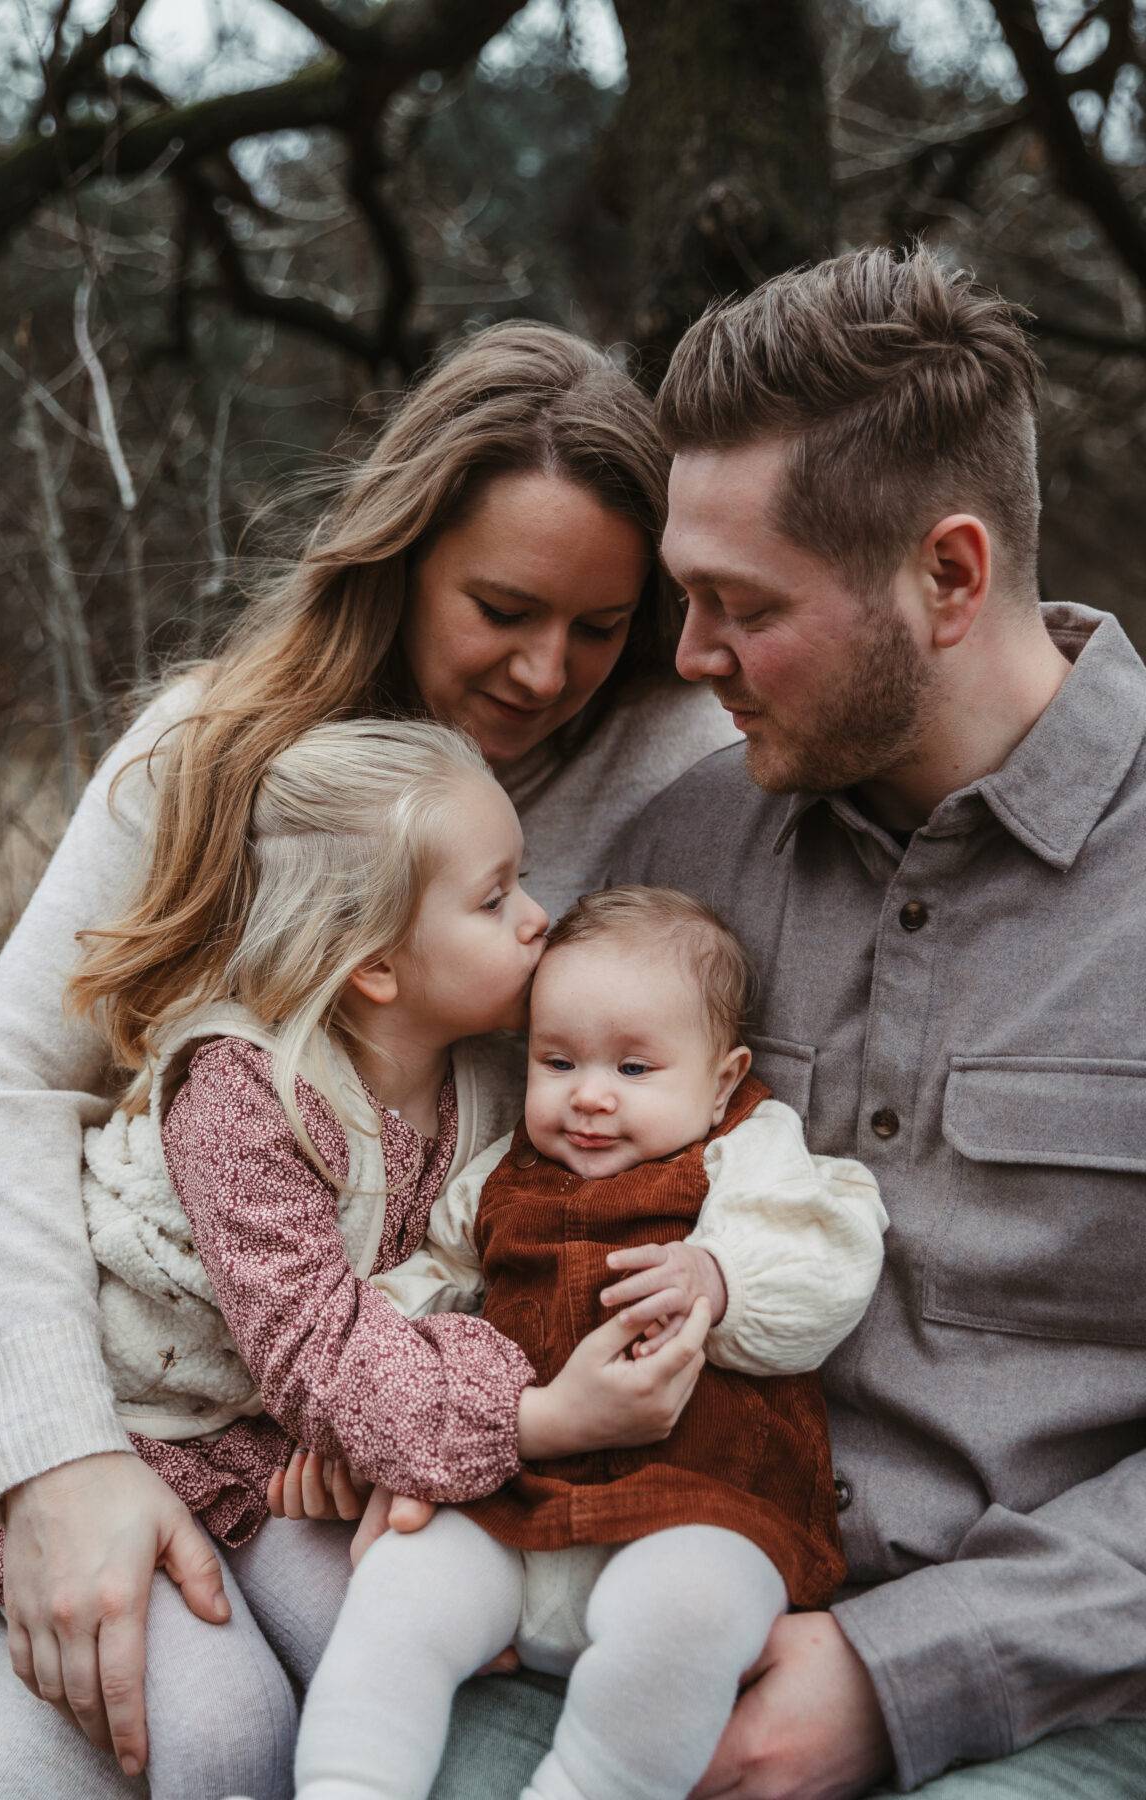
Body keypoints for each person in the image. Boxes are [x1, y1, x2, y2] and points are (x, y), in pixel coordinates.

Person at [0, 323, 737, 1798]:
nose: (545, 669)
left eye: (600, 625)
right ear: (403, 554)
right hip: (140, 1374)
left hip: (351, 1440)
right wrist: (55, 1459)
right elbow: (3, 1086)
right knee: (163, 1737)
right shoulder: (218, 752)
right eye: (502, 606)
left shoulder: (675, 767)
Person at [426, 247, 1146, 1800]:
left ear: (948, 576)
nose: (685, 660)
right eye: (687, 599)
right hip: (623, 1606)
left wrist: (911, 1673)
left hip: (1058, 1695)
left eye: (740, 609)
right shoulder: (679, 859)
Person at [282, 885, 885, 1800]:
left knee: (686, 1619)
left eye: (636, 1070)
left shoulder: (746, 1147)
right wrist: (372, 1403)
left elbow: (831, 1247)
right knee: (398, 1593)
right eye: (558, 1061)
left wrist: (722, 1278)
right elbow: (422, 1285)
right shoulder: (500, 1176)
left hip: (704, 1501)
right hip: (512, 1502)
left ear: (723, 1078)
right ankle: (346, 1785)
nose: (590, 1097)